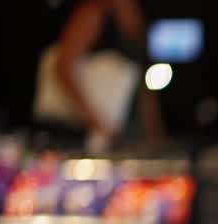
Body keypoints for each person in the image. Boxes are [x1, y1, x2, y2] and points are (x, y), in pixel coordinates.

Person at [39, 0, 164, 148]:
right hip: (91, 130)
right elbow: (63, 67)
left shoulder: (140, 10)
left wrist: (154, 134)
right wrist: (98, 124)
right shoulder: (95, 10)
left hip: (131, 126)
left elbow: (144, 83)